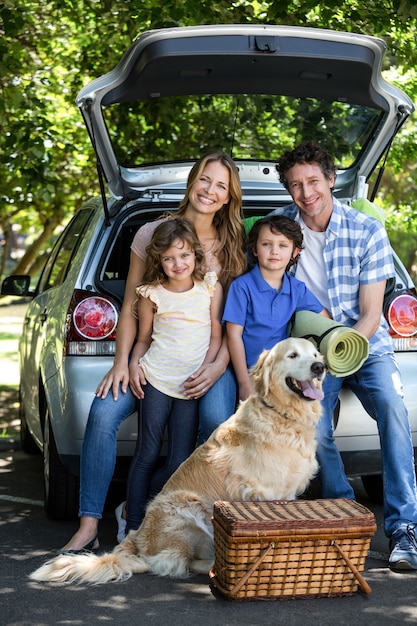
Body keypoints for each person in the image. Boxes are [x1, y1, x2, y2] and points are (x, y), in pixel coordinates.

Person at [59, 150, 246, 553]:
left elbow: (231, 321)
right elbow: (131, 304)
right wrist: (123, 364)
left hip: (212, 359)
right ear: (192, 180)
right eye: (205, 180)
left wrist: (217, 368)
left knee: (215, 418)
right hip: (154, 360)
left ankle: (194, 524)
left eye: (221, 186)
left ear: (229, 197)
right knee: (104, 410)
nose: (210, 191)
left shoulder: (232, 245)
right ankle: (89, 525)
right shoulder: (151, 233)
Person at [274, 140, 417, 571]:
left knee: (394, 409)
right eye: (296, 185)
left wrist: (343, 353)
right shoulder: (281, 232)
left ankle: (404, 528)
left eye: (313, 181)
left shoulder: (365, 230)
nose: (306, 192)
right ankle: (344, 512)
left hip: (366, 345)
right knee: (314, 426)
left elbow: (373, 314)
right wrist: (317, 367)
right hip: (312, 352)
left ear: (331, 180)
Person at [124, 218, 223, 531]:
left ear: (195, 254)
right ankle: (133, 527)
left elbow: (217, 337)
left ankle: (140, 508)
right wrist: (132, 365)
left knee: (179, 459)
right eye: (168, 258)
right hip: (155, 380)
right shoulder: (152, 293)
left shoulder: (210, 288)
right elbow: (143, 339)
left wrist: (206, 369)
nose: (177, 263)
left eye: (183, 255)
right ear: (159, 261)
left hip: (189, 387)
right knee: (148, 452)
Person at [223, 215, 328, 401]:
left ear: (294, 252)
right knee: (215, 416)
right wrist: (245, 383)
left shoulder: (297, 289)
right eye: (266, 244)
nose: (274, 251)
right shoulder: (241, 287)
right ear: (254, 249)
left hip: (277, 370)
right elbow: (233, 335)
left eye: (282, 245)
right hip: (238, 369)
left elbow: (325, 321)